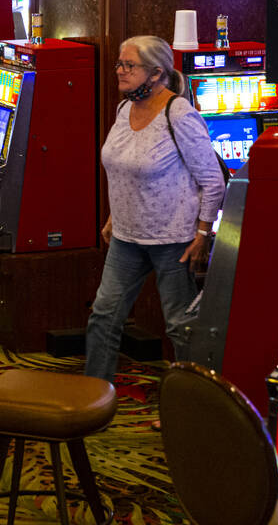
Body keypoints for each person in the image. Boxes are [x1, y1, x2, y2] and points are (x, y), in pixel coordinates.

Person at [85, 35, 225, 382]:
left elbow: (213, 181)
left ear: (156, 73)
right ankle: (92, 397)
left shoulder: (178, 114)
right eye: (119, 63)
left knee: (179, 326)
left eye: (128, 65)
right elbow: (125, 168)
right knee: (103, 316)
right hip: (126, 237)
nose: (119, 70)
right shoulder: (123, 109)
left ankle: (192, 405)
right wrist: (114, 215)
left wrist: (203, 233)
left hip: (173, 240)